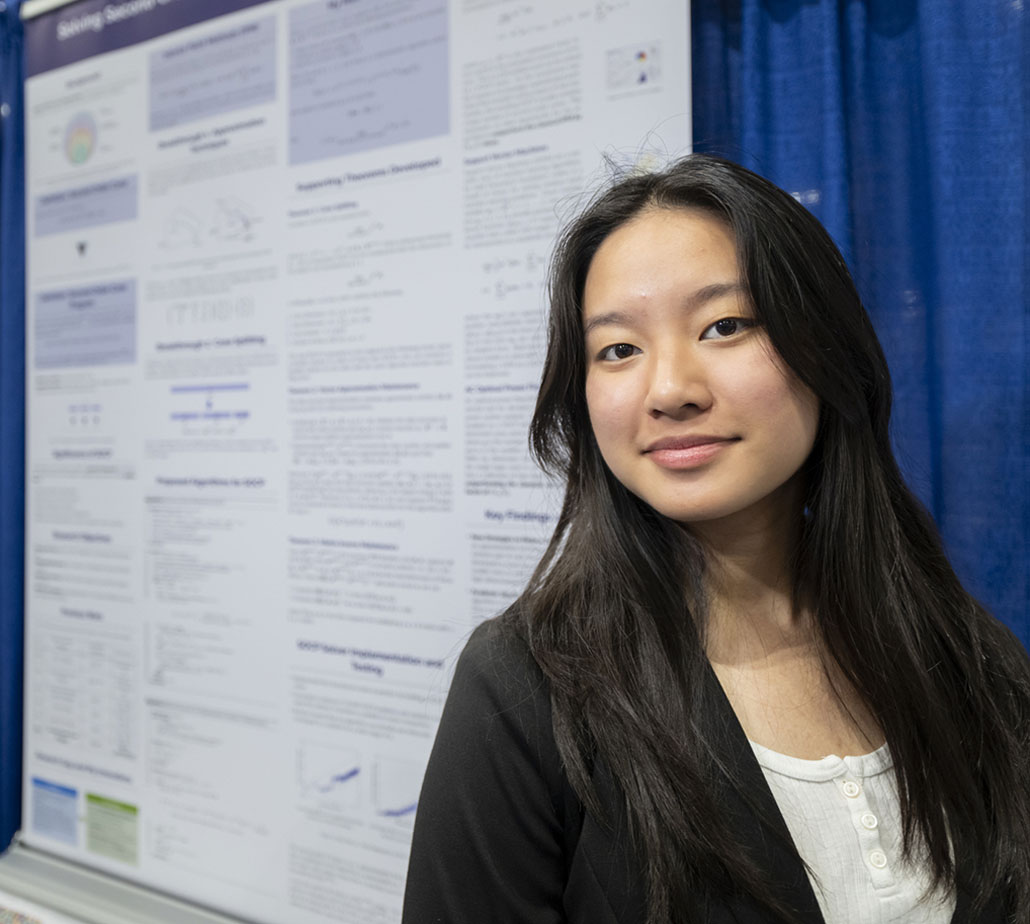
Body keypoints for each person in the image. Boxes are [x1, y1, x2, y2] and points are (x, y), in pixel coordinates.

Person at [401, 155, 1030, 924]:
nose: (670, 390)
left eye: (725, 326)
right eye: (618, 349)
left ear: (825, 346)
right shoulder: (526, 690)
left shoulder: (966, 653)